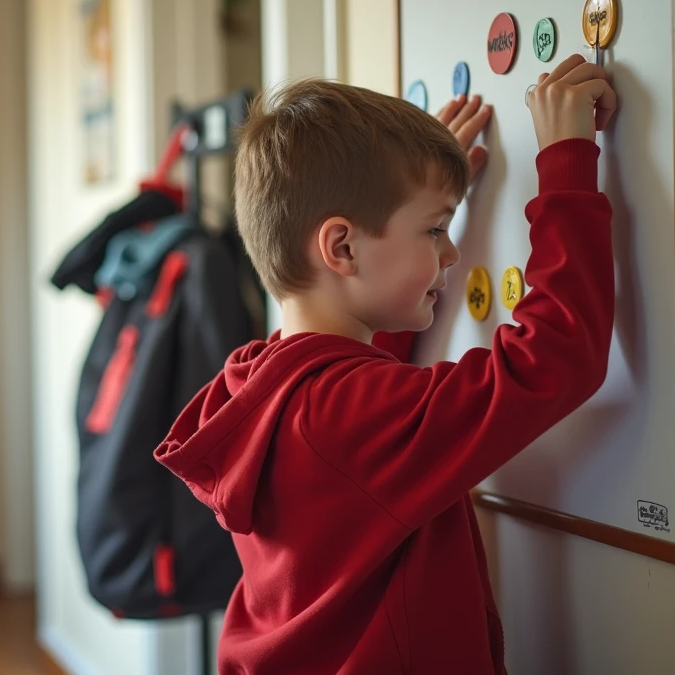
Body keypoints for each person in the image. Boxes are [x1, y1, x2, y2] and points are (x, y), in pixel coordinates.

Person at [154, 54, 617, 674]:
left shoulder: (260, 383)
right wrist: (565, 162)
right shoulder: (352, 416)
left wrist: (416, 190)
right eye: (433, 231)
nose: (450, 252)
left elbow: (356, 379)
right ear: (342, 246)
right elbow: (556, 357)